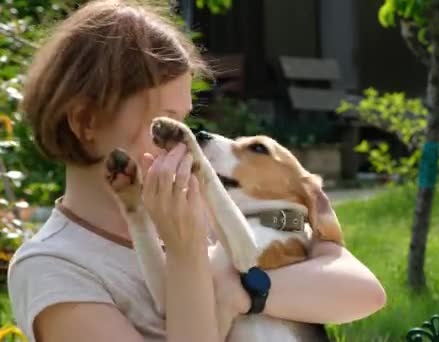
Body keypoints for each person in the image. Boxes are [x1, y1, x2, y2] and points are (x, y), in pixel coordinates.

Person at [7, 1, 387, 341]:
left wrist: (246, 292)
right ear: (86, 120)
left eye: (183, 122)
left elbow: (361, 290)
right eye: (164, 122)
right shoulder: (54, 268)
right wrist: (187, 254)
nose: (182, 142)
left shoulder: (216, 209)